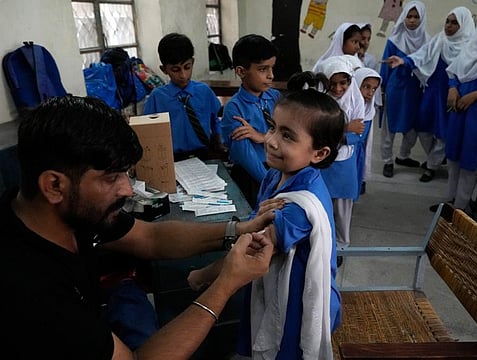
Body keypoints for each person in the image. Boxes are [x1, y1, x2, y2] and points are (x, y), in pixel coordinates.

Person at [1, 95, 277, 360]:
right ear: (53, 186)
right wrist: (225, 283)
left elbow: (149, 237)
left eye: (126, 173)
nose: (127, 189)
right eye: (111, 178)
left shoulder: (58, 212)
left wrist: (238, 229)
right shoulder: (31, 292)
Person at [189, 73, 344, 358]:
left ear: (319, 154)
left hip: (295, 300)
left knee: (283, 348)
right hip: (271, 283)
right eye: (273, 127)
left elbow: (251, 249)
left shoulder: (301, 206)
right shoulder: (275, 177)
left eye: (287, 136)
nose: (271, 141)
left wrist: (205, 275)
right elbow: (254, 226)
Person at [385, 6, 475, 182]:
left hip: (453, 94)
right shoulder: (439, 40)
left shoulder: (470, 49)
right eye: (447, 21)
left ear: (464, 25)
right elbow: (422, 55)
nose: (448, 26)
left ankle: (432, 165)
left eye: (454, 23)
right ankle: (433, 159)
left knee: (443, 133)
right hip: (433, 92)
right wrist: (403, 60)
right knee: (422, 128)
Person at [143, 33, 227, 162]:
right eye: (175, 70)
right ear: (164, 69)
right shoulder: (157, 97)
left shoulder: (204, 91)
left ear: (192, 62)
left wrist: (219, 141)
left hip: (204, 154)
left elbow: (214, 119)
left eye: (187, 67)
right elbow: (148, 133)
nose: (183, 75)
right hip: (172, 159)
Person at [222, 34, 281, 208]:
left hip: (278, 169)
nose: (271, 75)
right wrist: (272, 185)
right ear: (241, 71)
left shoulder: (275, 97)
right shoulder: (234, 108)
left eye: (272, 68)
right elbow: (246, 156)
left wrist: (263, 136)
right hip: (253, 176)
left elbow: (288, 133)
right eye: (263, 69)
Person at [316, 55, 365, 258]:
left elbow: (358, 135)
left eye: (343, 83)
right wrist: (345, 128)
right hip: (323, 161)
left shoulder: (356, 100)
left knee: (343, 208)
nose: (337, 89)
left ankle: (342, 246)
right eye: (332, 83)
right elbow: (317, 133)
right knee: (322, 204)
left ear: (350, 81)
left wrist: (334, 134)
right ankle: (322, 243)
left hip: (345, 162)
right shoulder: (320, 101)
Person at [431, 22, 477, 215]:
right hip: (458, 111)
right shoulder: (471, 48)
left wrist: (475, 95)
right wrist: (452, 87)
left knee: (470, 159)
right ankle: (449, 201)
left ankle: (460, 207)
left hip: (476, 115)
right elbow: (454, 71)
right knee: (453, 156)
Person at [379, 1, 429, 178]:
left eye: (417, 17)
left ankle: (403, 156)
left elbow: (427, 65)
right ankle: (387, 161)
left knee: (412, 127)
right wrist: (382, 88)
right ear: (403, 17)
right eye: (409, 16)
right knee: (389, 128)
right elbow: (385, 66)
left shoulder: (426, 41)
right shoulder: (394, 40)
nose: (413, 21)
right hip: (395, 89)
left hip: (415, 90)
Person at [354, 67, 382, 194]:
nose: (370, 93)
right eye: (366, 87)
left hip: (358, 156)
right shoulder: (346, 109)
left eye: (374, 89)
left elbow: (366, 143)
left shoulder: (370, 111)